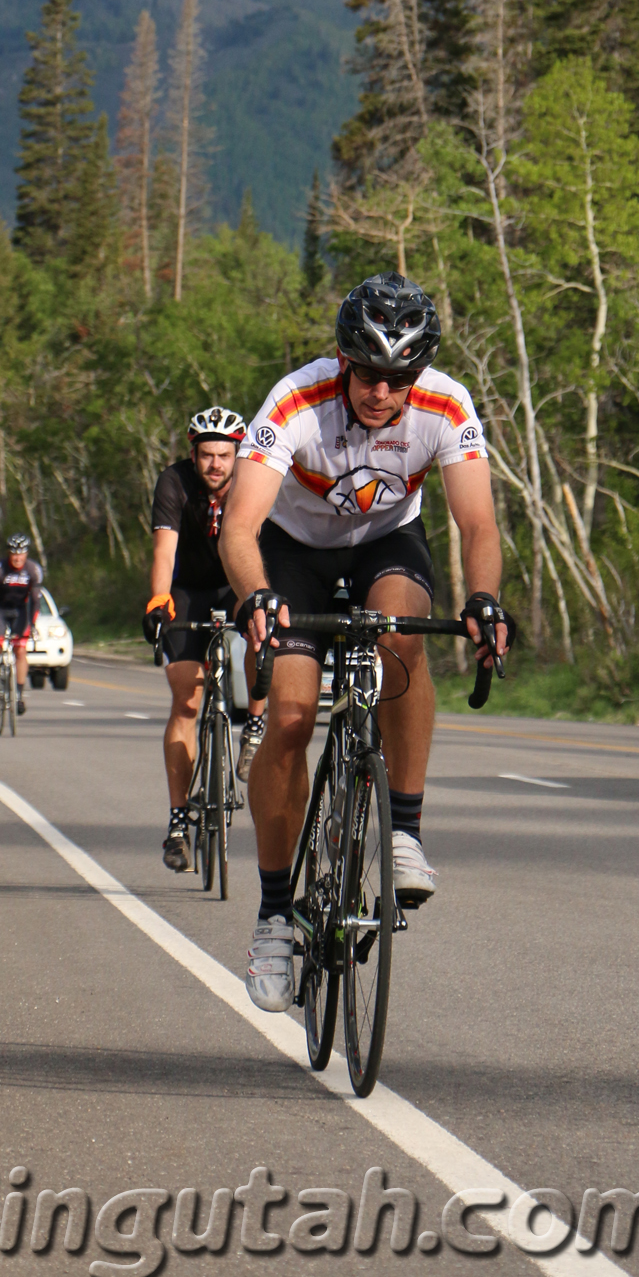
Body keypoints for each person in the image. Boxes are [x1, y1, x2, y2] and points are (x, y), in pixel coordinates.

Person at [219, 271, 512, 1012]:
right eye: (369, 375)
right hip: (293, 553)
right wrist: (256, 594)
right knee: (288, 719)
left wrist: (484, 600)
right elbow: (240, 524)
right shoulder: (295, 402)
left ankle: (404, 831)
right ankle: (276, 916)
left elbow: (476, 523)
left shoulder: (446, 404)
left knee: (403, 634)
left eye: (399, 378)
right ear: (343, 361)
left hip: (386, 542)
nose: (382, 393)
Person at [143, 406, 266, 873]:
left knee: (262, 632)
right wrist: (158, 601)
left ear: (239, 455)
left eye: (225, 455)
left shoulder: (254, 480)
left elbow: (266, 545)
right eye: (207, 455)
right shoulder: (173, 483)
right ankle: (178, 824)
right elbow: (164, 551)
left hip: (237, 582)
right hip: (189, 590)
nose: (216, 465)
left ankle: (254, 726)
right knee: (187, 702)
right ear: (192, 455)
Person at [0, 535, 43, 718]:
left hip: (20, 612)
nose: (17, 558)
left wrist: (32, 625)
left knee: (21, 651)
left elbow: (35, 601)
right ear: (9, 554)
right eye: (14, 554)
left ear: (26, 554)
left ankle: (20, 696)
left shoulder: (33, 570)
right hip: (0, 610)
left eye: (21, 554)